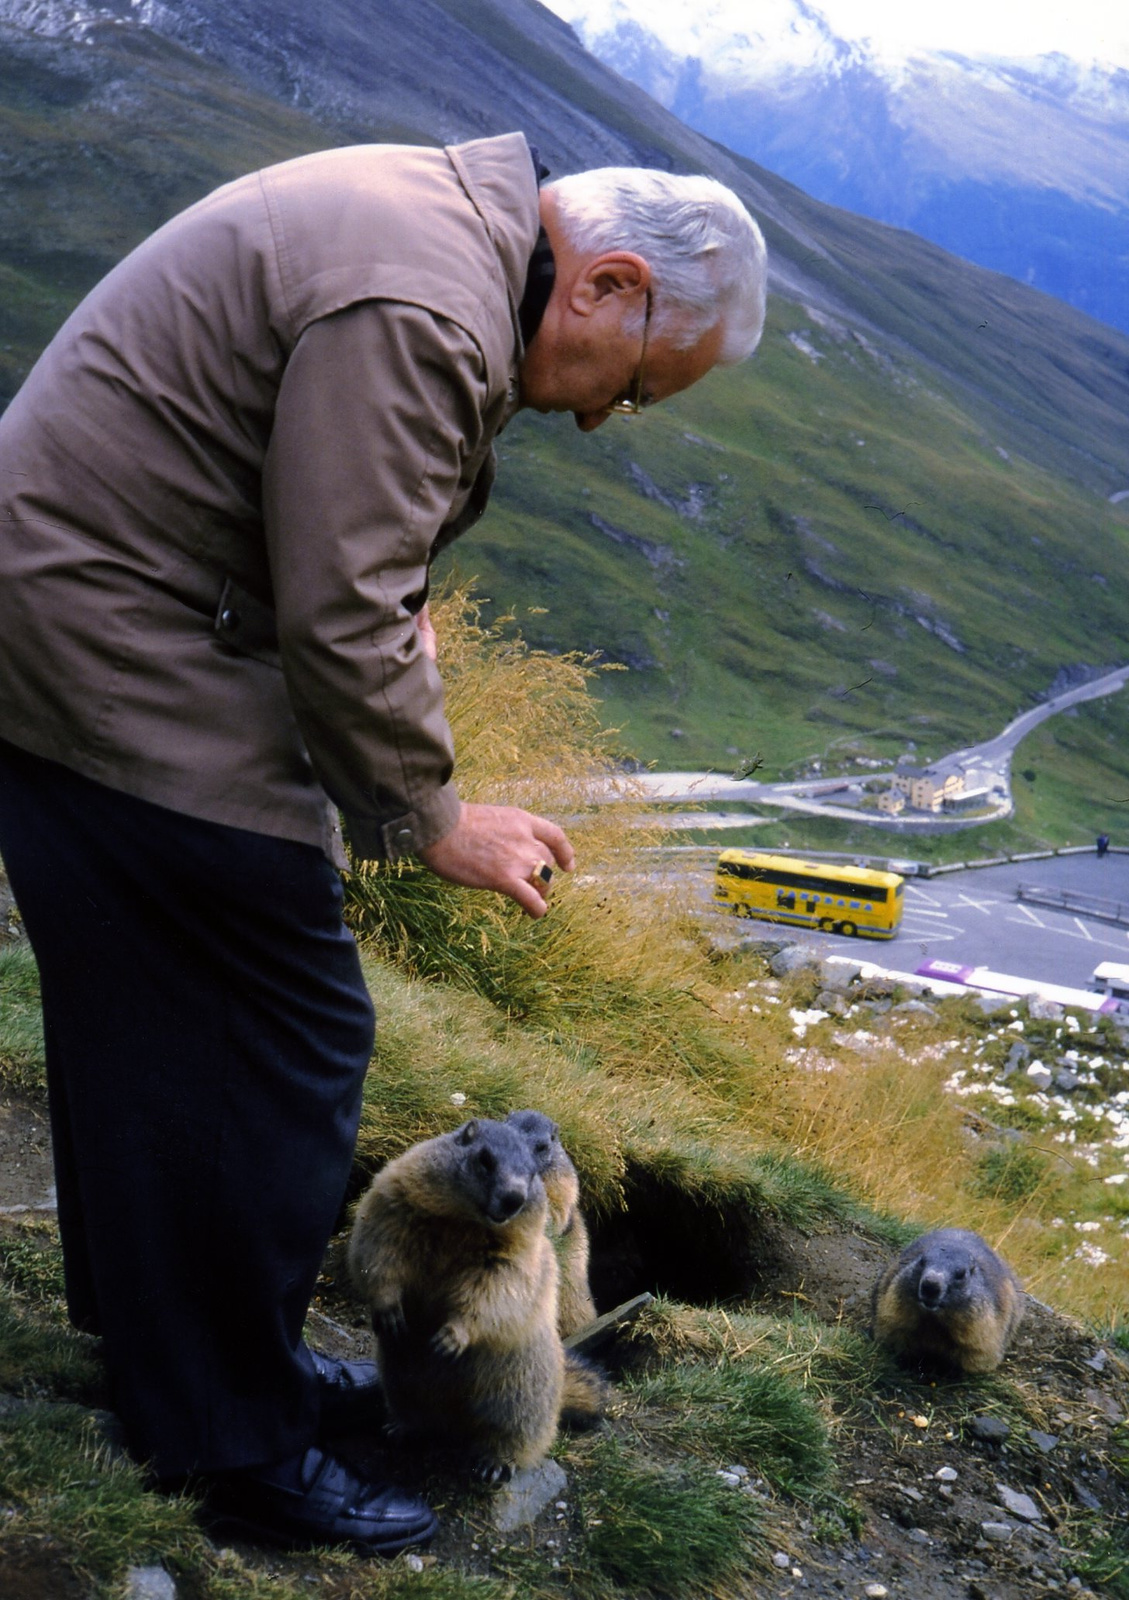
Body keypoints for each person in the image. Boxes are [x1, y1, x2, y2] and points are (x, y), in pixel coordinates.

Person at [0, 132, 767, 1551]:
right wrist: (436, 822)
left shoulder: (436, 233)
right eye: (642, 386)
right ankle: (231, 1443)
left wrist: (377, 603)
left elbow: (338, 537)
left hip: (65, 617)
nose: (609, 420)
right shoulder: (426, 304)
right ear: (604, 284)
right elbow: (344, 610)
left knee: (150, 1017)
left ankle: (170, 1357)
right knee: (285, 1039)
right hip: (119, 644)